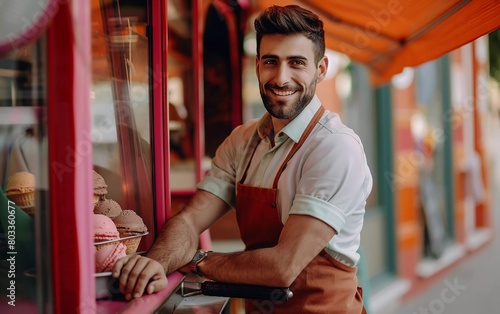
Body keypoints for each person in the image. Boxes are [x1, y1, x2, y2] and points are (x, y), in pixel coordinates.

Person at [113, 4, 372, 313]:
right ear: (257, 66)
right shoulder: (242, 141)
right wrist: (156, 263)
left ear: (321, 69)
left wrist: (194, 260)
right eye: (271, 62)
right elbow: (191, 218)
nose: (281, 77)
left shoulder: (335, 148)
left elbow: (282, 267)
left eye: (297, 63)